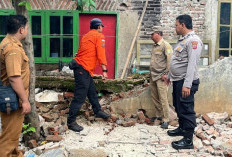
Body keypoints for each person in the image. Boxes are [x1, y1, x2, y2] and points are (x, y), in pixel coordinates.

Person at [163, 14, 202, 149]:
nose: (175, 28)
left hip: (186, 82)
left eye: (176, 25)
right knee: (179, 106)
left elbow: (192, 65)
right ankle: (182, 128)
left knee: (186, 109)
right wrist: (169, 76)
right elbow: (178, 62)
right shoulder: (183, 40)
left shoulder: (193, 41)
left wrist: (187, 85)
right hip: (178, 81)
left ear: (183, 25)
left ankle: (188, 140)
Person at [67, 18, 110, 132]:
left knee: (92, 92)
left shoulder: (86, 36)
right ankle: (71, 122)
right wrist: (104, 71)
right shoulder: (99, 36)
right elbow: (101, 54)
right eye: (102, 26)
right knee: (79, 97)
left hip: (83, 68)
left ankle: (97, 111)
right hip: (83, 69)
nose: (102, 28)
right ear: (99, 26)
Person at [0, 15, 31, 157]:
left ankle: (15, 154)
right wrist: (25, 100)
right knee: (9, 136)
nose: (27, 31)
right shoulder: (12, 49)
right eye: (27, 28)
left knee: (14, 132)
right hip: (13, 97)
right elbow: (14, 77)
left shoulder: (7, 43)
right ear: (21, 29)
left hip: (12, 96)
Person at [149, 30, 173, 129]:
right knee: (155, 97)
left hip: (161, 76)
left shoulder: (166, 45)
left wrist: (167, 74)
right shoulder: (155, 46)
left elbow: (170, 61)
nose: (151, 36)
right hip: (153, 75)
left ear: (158, 34)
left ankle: (166, 119)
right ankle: (159, 116)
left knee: (163, 98)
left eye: (152, 34)